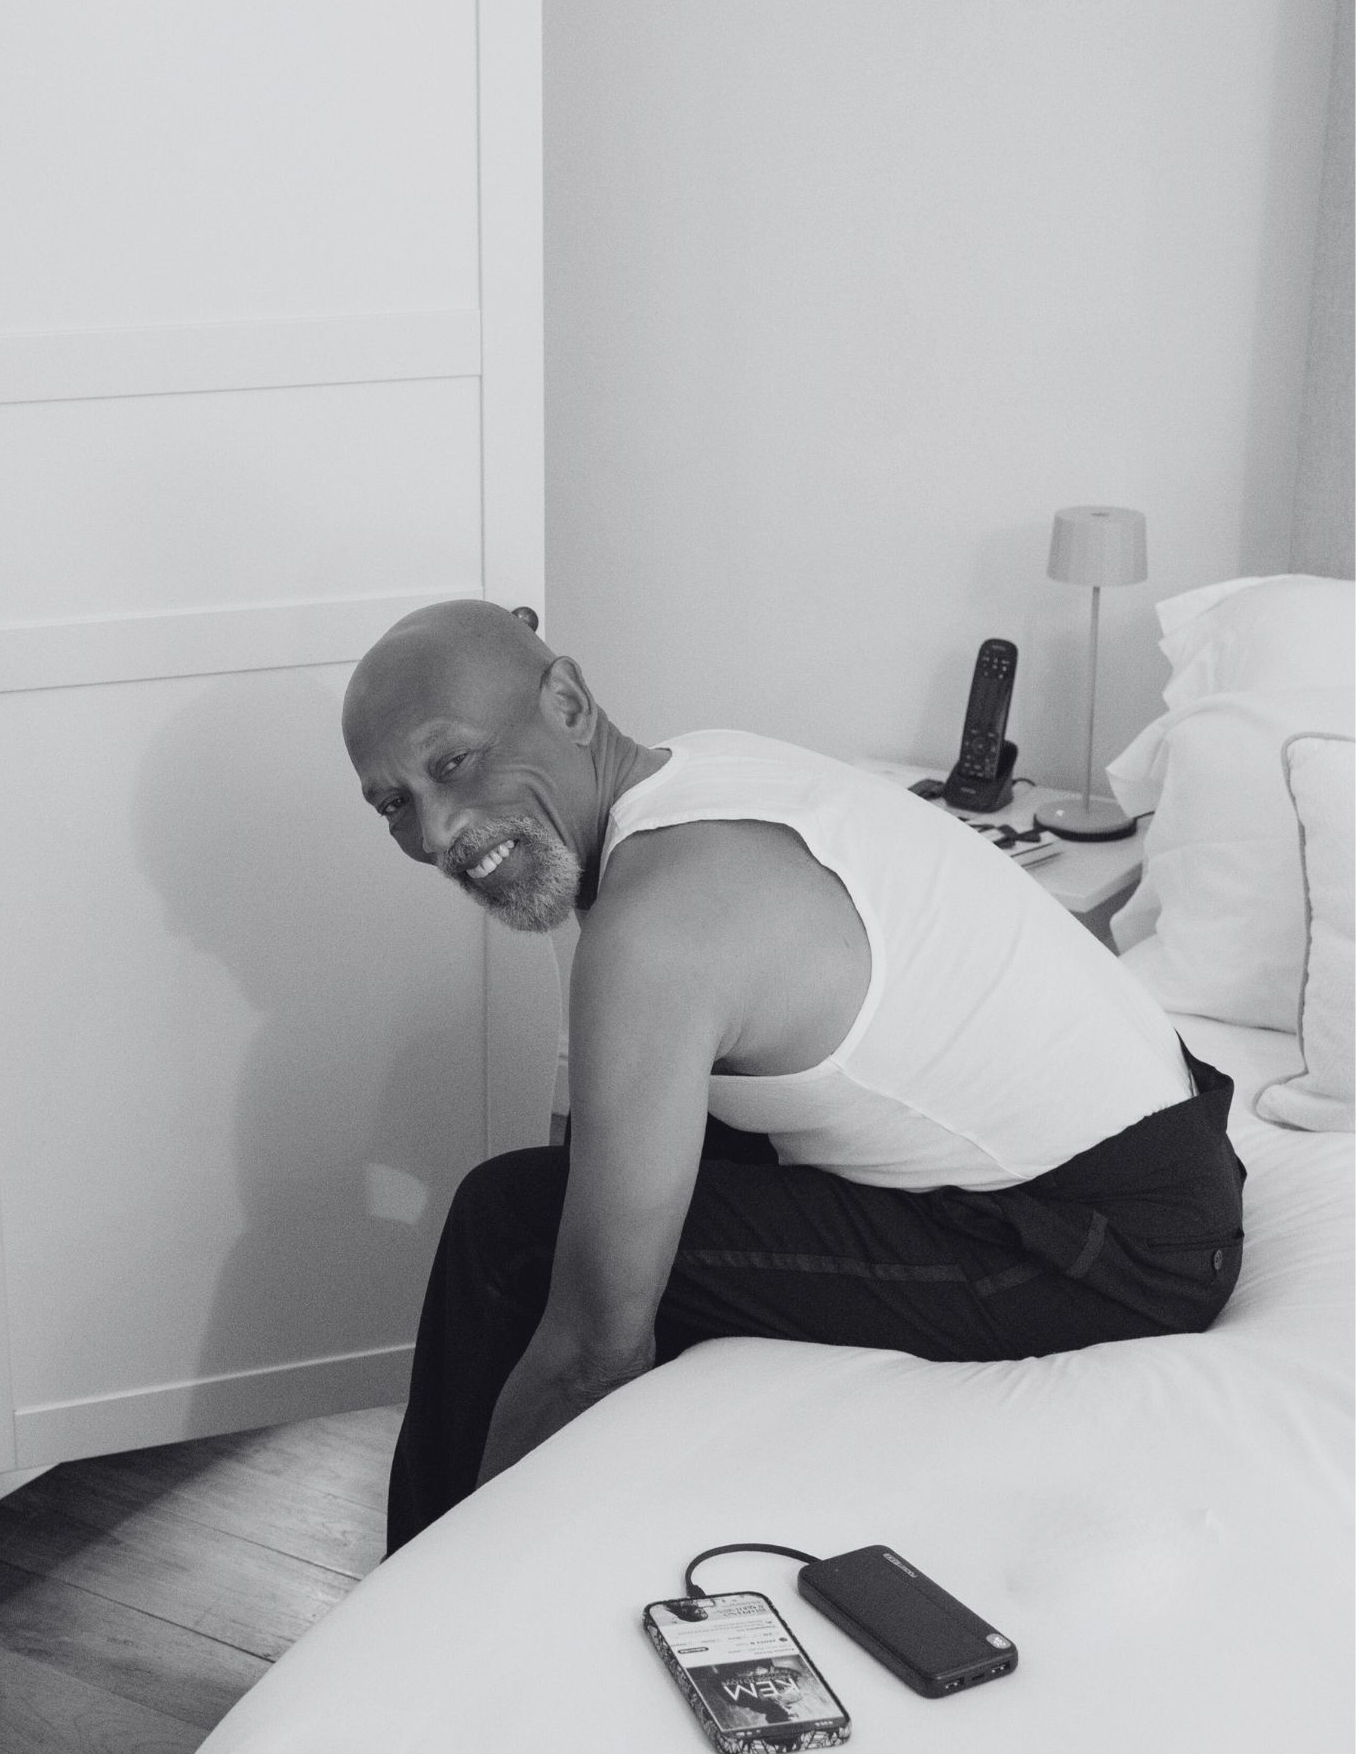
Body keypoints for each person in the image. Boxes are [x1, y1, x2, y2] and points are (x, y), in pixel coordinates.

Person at [341, 600, 1245, 1556]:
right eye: (393, 804)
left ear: (567, 703)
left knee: (511, 1227)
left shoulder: (657, 930)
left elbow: (596, 1346)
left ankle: (410, 1596)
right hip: (1173, 1146)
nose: (435, 833)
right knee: (619, 1193)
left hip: (1116, 1252)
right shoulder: (703, 766)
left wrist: (450, 1573)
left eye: (453, 762)